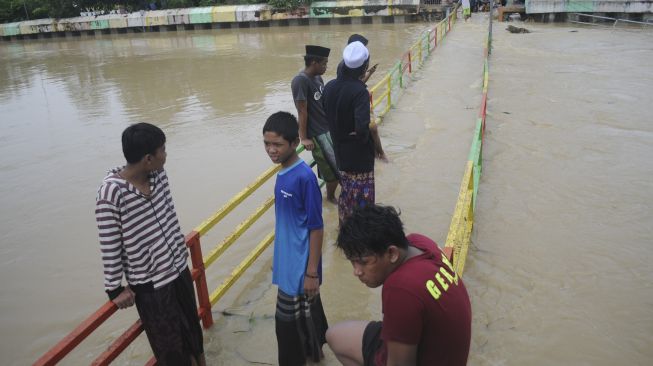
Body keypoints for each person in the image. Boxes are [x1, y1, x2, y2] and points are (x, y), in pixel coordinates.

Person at [95, 123, 205, 365]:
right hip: (152, 286)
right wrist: (115, 288)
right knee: (171, 350)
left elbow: (170, 214)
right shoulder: (111, 193)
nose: (165, 155)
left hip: (178, 270)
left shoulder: (158, 175)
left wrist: (177, 249)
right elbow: (109, 243)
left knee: (194, 336)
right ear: (148, 159)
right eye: (162, 150)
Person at [326, 204, 472, 366]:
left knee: (335, 337)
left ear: (392, 253)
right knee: (335, 335)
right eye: (352, 262)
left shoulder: (401, 289)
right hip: (443, 350)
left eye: (363, 262)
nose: (357, 272)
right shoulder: (419, 242)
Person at [262, 111, 329, 365]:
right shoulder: (282, 174)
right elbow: (287, 225)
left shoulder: (304, 177)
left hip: (301, 268)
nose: (271, 150)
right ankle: (316, 353)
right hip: (289, 263)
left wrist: (312, 273)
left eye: (277, 144)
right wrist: (279, 257)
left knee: (288, 328)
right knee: (307, 316)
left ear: (293, 143)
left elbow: (316, 227)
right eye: (267, 144)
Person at [323, 41, 387, 224]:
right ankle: (361, 237)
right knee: (363, 199)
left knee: (347, 194)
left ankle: (345, 229)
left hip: (340, 153)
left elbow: (325, 113)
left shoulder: (329, 87)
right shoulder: (360, 92)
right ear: (364, 66)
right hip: (359, 158)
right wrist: (360, 136)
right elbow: (362, 128)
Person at [291, 45, 340, 204]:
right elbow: (302, 111)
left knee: (336, 166)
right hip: (317, 133)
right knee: (332, 172)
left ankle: (330, 194)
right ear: (313, 62)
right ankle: (330, 197)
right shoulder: (300, 81)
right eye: (324, 63)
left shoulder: (318, 78)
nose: (326, 67)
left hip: (327, 128)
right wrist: (303, 138)